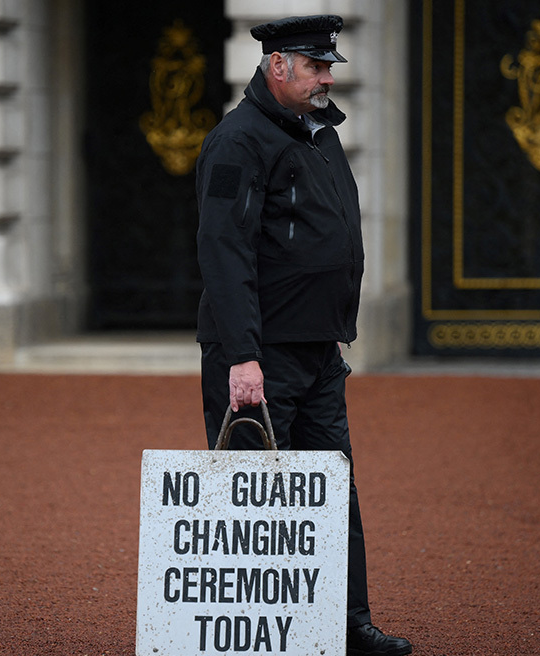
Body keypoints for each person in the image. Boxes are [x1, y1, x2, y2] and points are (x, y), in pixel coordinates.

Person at [193, 14, 413, 656]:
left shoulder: (319, 134)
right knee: (254, 501)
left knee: (330, 492)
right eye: (315, 66)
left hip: (318, 352)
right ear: (277, 66)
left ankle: (348, 625)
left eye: (328, 67)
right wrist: (243, 357)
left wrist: (332, 328)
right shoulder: (236, 141)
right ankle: (257, 638)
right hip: (260, 356)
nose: (327, 78)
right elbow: (223, 252)